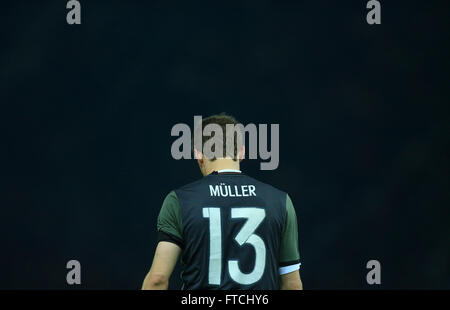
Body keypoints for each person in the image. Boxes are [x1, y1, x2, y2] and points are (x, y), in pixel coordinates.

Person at [142, 113, 302, 290]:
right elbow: (292, 284)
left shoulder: (180, 201)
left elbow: (157, 279)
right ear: (242, 152)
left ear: (198, 154)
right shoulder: (280, 201)